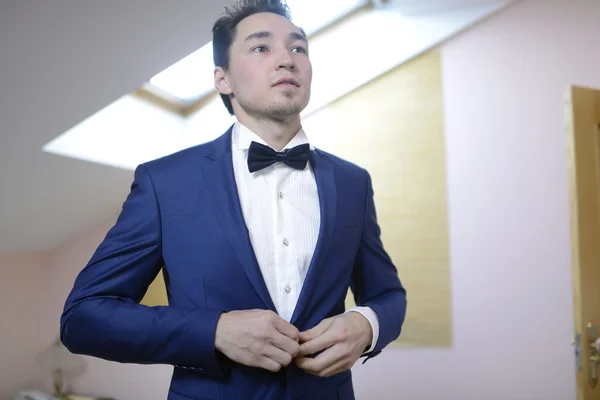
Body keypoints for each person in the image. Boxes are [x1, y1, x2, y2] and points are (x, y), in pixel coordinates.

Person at [60, 0, 407, 399]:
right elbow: (83, 317)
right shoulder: (165, 182)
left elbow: (387, 295)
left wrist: (368, 325)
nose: (287, 60)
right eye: (262, 48)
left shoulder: (353, 182)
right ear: (222, 79)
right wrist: (214, 331)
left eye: (298, 48)